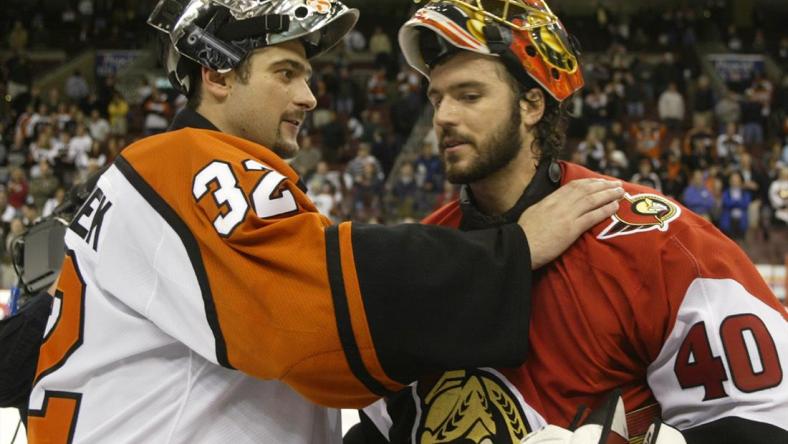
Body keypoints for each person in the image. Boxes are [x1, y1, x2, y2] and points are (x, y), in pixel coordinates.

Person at [23, 1, 624, 443]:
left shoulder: (150, 178)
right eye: (286, 73)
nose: (310, 96)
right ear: (218, 74)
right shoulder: (187, 160)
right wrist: (513, 249)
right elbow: (315, 323)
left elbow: (27, 348)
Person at [351, 1, 788, 443]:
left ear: (532, 105)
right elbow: (375, 432)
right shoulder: (424, 254)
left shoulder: (655, 239)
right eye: (436, 97)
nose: (443, 116)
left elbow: (765, 416)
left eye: (469, 95)